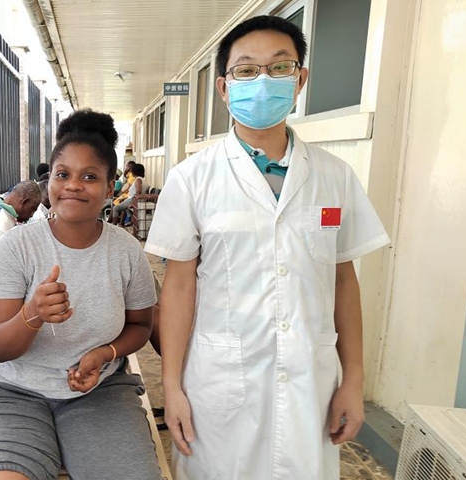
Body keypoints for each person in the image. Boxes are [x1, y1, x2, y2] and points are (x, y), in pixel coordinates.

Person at [144, 16, 390, 480]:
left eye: (279, 69)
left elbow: (343, 281)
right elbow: (177, 289)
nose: (262, 82)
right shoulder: (191, 178)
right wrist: (172, 386)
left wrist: (353, 380)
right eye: (245, 70)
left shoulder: (334, 177)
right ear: (222, 87)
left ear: (300, 80)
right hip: (220, 386)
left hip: (310, 386)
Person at [0, 109, 162, 480]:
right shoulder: (17, 247)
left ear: (110, 187)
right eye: (63, 174)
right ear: (49, 181)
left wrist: (105, 353)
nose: (73, 185)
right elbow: (1, 348)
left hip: (100, 391)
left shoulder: (127, 252)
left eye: (90, 177)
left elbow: (142, 324)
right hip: (8, 389)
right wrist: (32, 313)